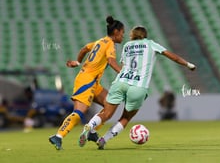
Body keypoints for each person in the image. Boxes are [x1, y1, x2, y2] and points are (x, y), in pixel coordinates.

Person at [78, 26, 196, 149]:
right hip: (138, 86)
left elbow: (123, 65)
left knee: (106, 113)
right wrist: (188, 65)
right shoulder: (150, 44)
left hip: (121, 82)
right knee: (126, 117)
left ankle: (89, 126)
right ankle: (104, 139)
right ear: (145, 35)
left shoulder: (127, 46)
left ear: (132, 35)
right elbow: (173, 56)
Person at [49, 16, 124, 150]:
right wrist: (124, 73)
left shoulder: (100, 41)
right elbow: (112, 62)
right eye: (122, 33)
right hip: (86, 81)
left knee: (110, 104)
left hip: (93, 81)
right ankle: (58, 136)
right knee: (79, 112)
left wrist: (78, 62)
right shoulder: (110, 45)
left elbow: (84, 49)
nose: (123, 36)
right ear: (116, 32)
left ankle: (92, 131)